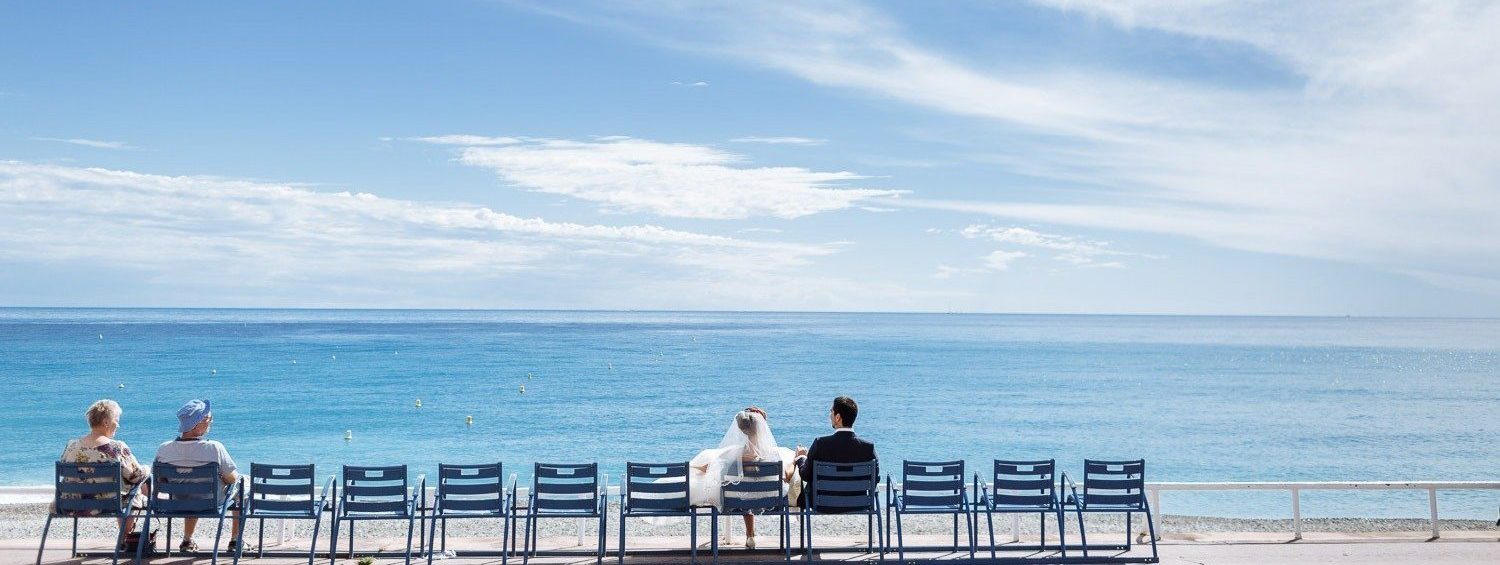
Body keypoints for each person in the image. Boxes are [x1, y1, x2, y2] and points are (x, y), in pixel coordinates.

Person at [688, 407, 795, 550]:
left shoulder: (735, 454)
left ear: (740, 429)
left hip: (738, 499)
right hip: (770, 497)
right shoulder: (774, 454)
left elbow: (711, 468)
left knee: (742, 487)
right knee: (751, 484)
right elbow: (786, 476)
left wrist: (694, 467)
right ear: (762, 427)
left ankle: (750, 535)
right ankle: (750, 535)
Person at [154, 399, 241, 553]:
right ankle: (235, 541)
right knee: (242, 484)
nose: (210, 423)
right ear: (197, 424)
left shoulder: (164, 449)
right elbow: (232, 479)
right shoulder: (214, 448)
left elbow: (160, 480)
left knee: (190, 489)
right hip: (209, 503)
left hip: (179, 503)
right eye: (209, 419)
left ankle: (187, 541)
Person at [58, 399, 150, 535]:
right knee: (140, 486)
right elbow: (135, 476)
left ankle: (126, 538)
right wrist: (147, 469)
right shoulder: (116, 448)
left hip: (71, 503)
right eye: (116, 420)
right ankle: (126, 538)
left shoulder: (71, 446)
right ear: (106, 422)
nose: (118, 425)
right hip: (107, 505)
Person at [794, 396, 877, 511]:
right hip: (858, 503)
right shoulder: (868, 447)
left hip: (824, 503)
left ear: (838, 417)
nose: (830, 416)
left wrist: (801, 458)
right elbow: (875, 479)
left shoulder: (820, 444)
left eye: (831, 412)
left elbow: (806, 475)